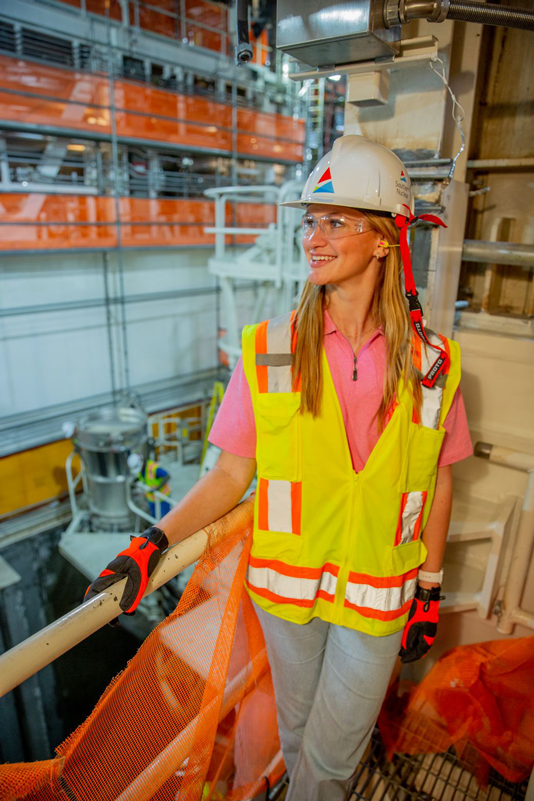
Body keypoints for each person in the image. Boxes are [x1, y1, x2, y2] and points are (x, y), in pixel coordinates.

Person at [85, 135, 473, 800]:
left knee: (328, 761)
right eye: (309, 222)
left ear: (385, 239)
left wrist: (429, 589)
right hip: (287, 599)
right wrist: (151, 545)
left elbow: (438, 479)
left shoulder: (432, 362)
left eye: (334, 221)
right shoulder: (268, 352)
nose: (312, 238)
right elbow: (230, 476)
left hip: (377, 601)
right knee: (297, 736)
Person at [127, 453, 172, 518]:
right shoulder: (141, 470)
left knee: (165, 518)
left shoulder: (153, 468)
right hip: (151, 498)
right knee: (154, 516)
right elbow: (144, 478)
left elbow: (167, 476)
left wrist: (157, 488)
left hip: (162, 497)